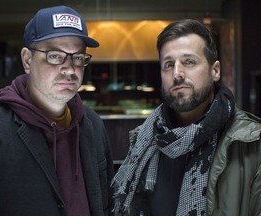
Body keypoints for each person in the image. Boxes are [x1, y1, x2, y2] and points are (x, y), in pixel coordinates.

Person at [0, 5, 114, 216]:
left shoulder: (92, 124)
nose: (70, 69)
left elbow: (106, 205)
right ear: (27, 60)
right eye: (55, 56)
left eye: (78, 57)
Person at [111, 19, 261, 216]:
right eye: (168, 64)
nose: (177, 74)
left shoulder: (251, 143)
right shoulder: (144, 141)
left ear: (215, 70)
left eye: (189, 62)